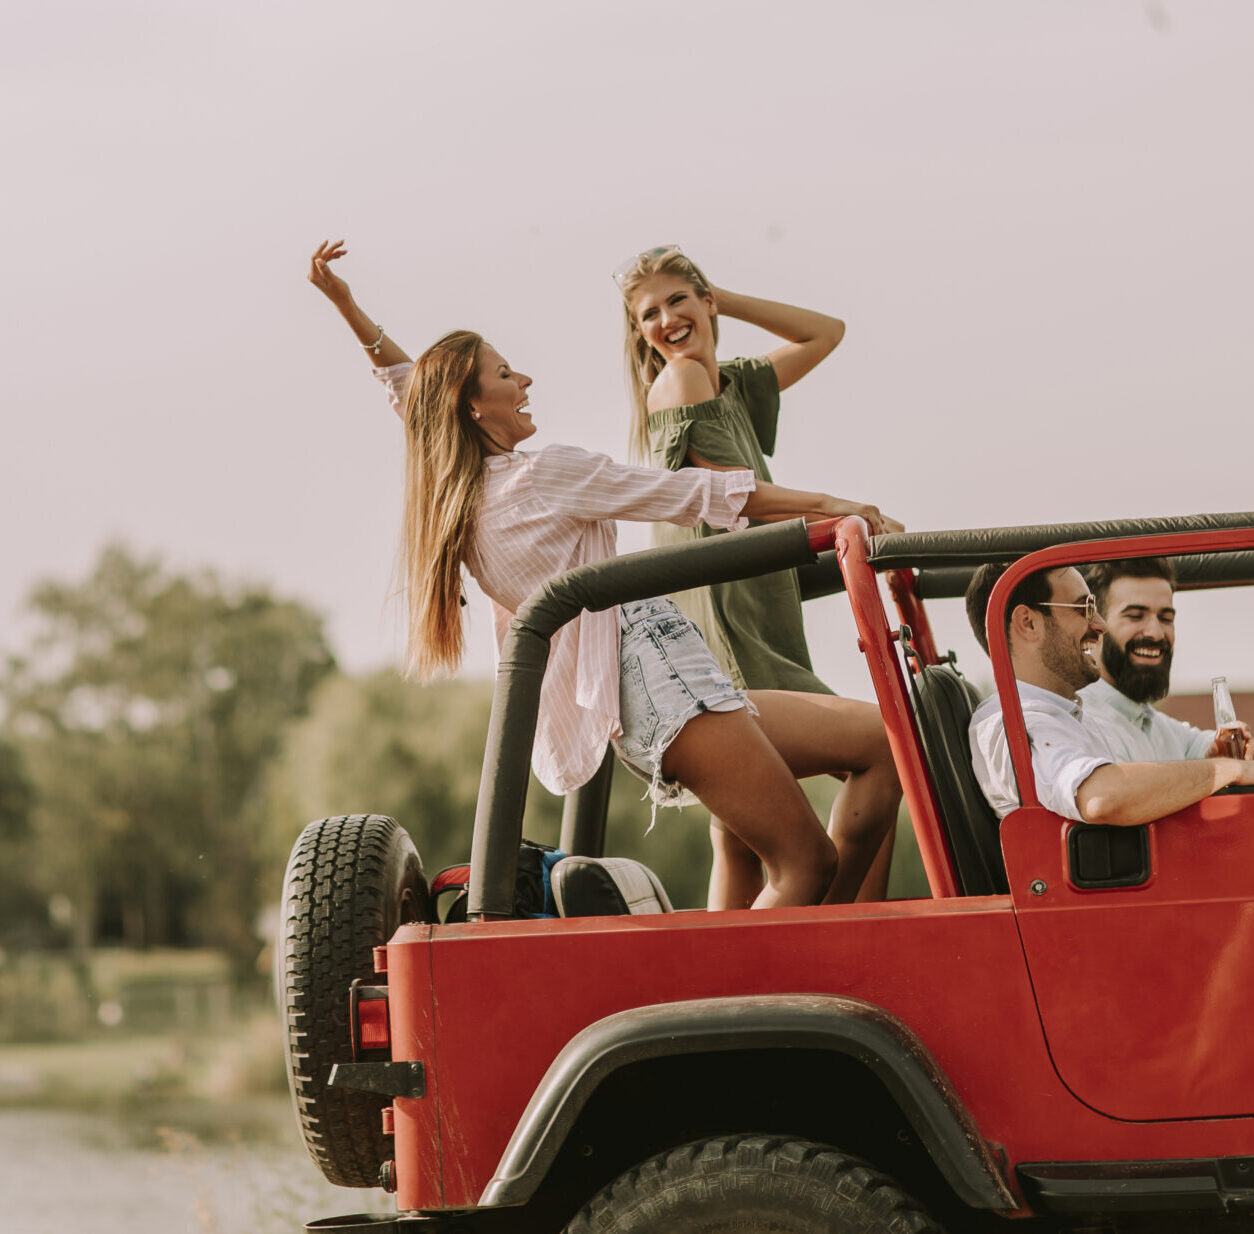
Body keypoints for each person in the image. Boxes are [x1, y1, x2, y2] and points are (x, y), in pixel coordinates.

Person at [308, 240, 902, 909]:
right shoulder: (543, 474)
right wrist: (833, 506)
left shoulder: (463, 492)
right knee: (803, 864)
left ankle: (838, 949)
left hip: (655, 682)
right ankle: (773, 991)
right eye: (507, 374)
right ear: (474, 405)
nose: (525, 381)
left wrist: (348, 307)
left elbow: (407, 389)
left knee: (880, 745)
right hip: (658, 675)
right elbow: (694, 495)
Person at [615, 244, 903, 907]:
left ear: (706, 299)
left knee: (739, 838)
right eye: (648, 314)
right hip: (726, 628)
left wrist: (725, 301)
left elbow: (825, 332)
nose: (665, 321)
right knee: (886, 753)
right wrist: (835, 507)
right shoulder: (681, 379)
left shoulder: (731, 382)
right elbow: (719, 491)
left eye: (678, 300)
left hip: (760, 612)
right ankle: (842, 928)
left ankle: (737, 966)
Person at [964, 560, 1254, 825]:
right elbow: (1102, 798)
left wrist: (1219, 760)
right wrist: (1224, 770)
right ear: (1028, 623)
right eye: (1085, 609)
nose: (1100, 626)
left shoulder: (1069, 715)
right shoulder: (1016, 721)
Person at [1077, 557, 1234, 761]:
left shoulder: (1155, 725)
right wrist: (1222, 771)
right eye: (1135, 616)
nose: (1156, 633)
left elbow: (1206, 745)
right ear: (1095, 626)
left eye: (1166, 618)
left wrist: (1232, 746)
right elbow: (1118, 787)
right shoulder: (1080, 722)